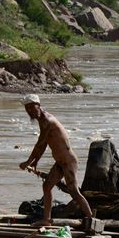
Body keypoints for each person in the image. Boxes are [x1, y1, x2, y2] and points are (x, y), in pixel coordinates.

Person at [19, 94, 94, 226]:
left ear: (39, 105)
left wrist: (28, 162)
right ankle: (46, 220)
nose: (30, 110)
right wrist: (35, 161)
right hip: (60, 162)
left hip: (68, 161)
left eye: (32, 107)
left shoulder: (48, 120)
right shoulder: (42, 121)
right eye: (27, 108)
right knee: (47, 186)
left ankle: (91, 219)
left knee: (74, 191)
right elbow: (44, 144)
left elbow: (40, 143)